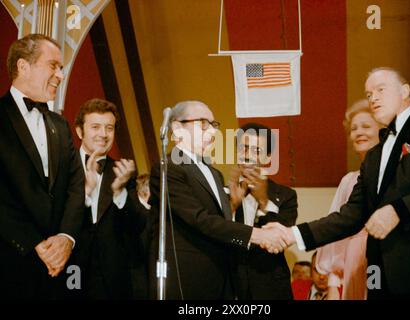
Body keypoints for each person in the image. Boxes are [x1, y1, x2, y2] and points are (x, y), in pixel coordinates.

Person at [264, 67, 410, 299]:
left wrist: (399, 210)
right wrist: (293, 234)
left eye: (380, 89)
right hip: (375, 273)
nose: (373, 98)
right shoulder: (373, 157)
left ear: (405, 91)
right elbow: (351, 214)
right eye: (369, 94)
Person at [148, 100, 288, 299]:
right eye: (203, 124)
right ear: (178, 129)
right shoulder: (169, 167)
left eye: (214, 125)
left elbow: (221, 224)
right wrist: (256, 235)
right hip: (189, 280)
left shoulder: (215, 174)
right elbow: (200, 219)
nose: (213, 132)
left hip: (222, 279)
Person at [0, 34, 85, 298]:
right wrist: (34, 243)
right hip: (9, 261)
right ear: (23, 66)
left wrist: (66, 238)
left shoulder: (61, 125)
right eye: (54, 66)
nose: (60, 75)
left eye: (61, 68)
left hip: (58, 270)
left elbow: (75, 184)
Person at [73, 98, 147, 299]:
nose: (103, 134)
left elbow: (139, 225)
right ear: (80, 131)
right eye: (95, 127)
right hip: (72, 275)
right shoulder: (64, 169)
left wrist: (119, 192)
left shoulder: (122, 173)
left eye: (109, 128)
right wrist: (86, 192)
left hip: (115, 280)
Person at [315, 99, 380, 300]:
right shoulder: (349, 181)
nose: (359, 132)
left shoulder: (398, 175)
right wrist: (334, 283)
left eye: (366, 126)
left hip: (379, 261)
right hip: (353, 261)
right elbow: (337, 232)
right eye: (354, 128)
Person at [229, 123, 298, 300]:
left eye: (256, 150)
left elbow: (281, 238)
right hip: (230, 284)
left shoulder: (285, 195)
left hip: (270, 286)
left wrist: (263, 202)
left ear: (268, 157)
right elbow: (212, 231)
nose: (249, 156)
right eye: (244, 148)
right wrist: (232, 206)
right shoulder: (223, 193)